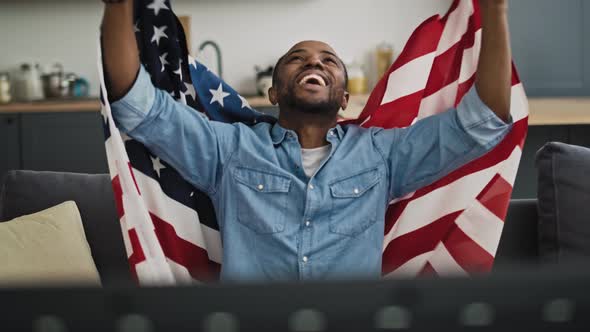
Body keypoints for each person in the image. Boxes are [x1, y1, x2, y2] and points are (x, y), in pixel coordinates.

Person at [101, 0, 513, 281]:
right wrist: (118, 6)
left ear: (345, 99)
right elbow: (136, 105)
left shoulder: (383, 154)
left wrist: (495, 9)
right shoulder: (230, 148)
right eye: (297, 58)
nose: (314, 62)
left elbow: (483, 122)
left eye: (328, 61)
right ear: (274, 93)